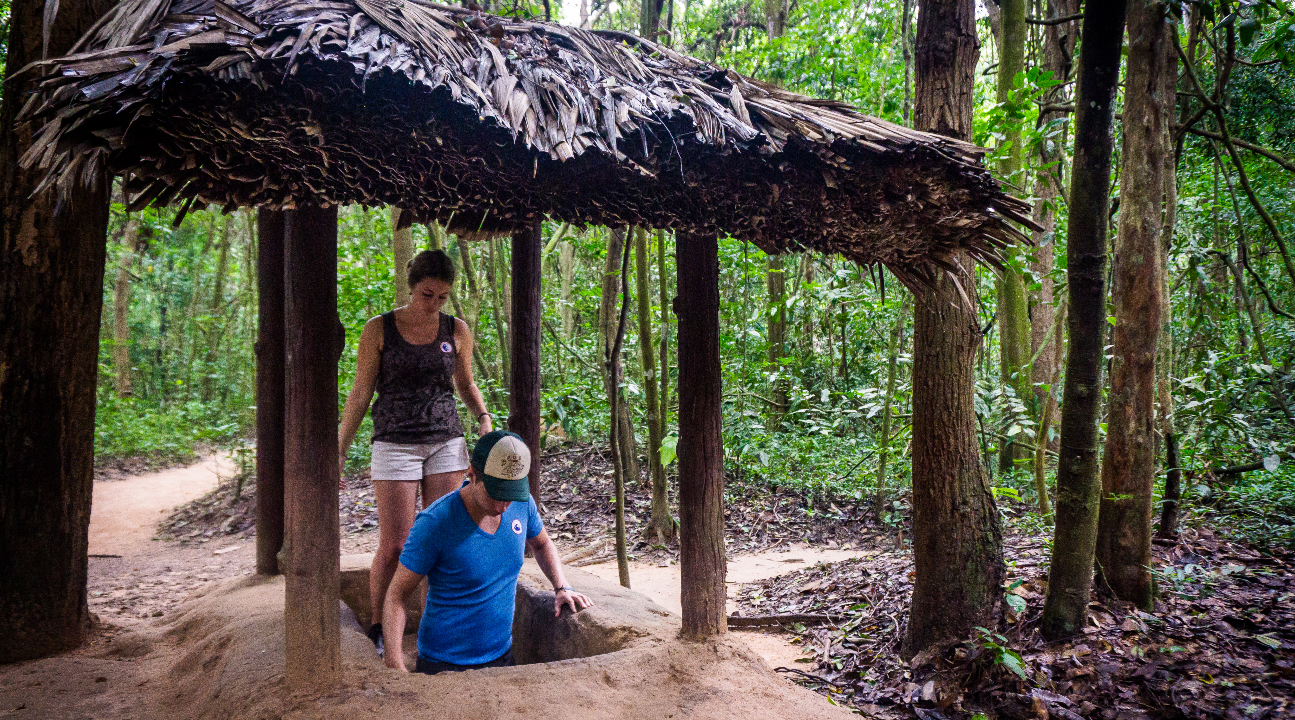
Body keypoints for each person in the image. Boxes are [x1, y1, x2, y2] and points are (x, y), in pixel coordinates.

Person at [338, 249, 493, 656]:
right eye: (427, 295)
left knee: (442, 537)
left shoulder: (456, 330)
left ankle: (435, 627)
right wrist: (339, 450)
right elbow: (360, 393)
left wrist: (483, 416)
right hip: (394, 442)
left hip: (445, 440)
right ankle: (378, 625)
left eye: (442, 297)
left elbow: (465, 384)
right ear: (411, 287)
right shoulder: (379, 329)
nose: (434, 303)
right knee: (397, 544)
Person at [382, 430, 594, 674]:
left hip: (502, 655)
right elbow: (397, 595)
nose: (502, 506)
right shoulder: (435, 522)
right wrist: (395, 663)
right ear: (472, 474)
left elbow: (542, 544)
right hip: (443, 664)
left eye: (510, 496)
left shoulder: (522, 504)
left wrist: (562, 586)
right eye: (495, 494)